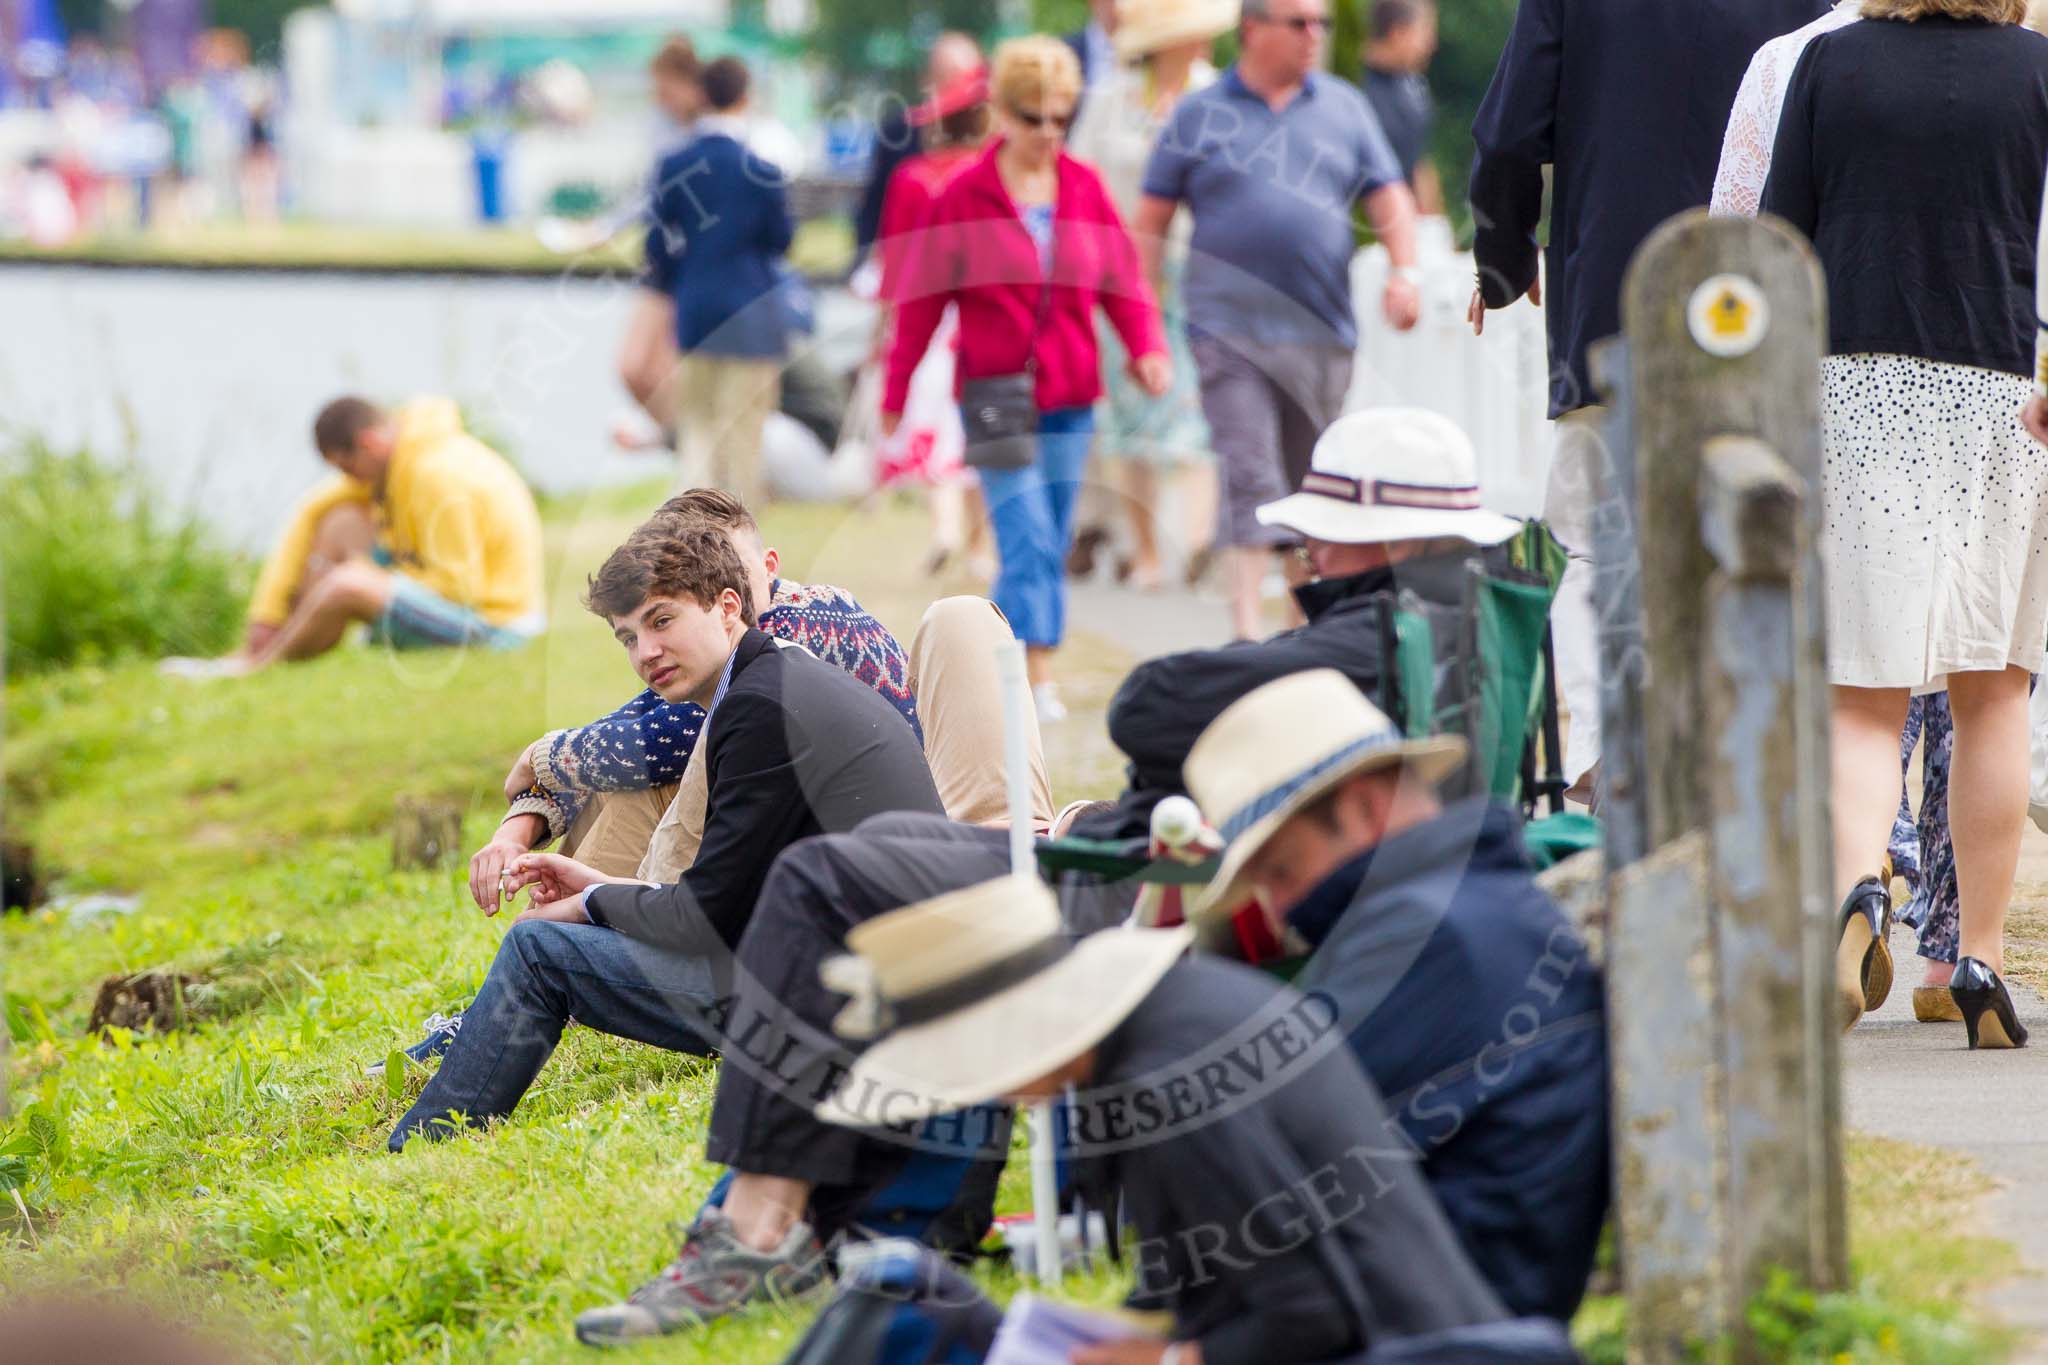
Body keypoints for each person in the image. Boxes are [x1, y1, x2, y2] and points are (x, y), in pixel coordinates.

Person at [811, 879, 1559, 1365]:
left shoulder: (1163, 1087)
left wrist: (1166, 1359)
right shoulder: (1181, 1008)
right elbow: (1214, 1268)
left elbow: (1311, 1316)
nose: (994, 1092)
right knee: (903, 1292)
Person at [387, 521, 944, 1150]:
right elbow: (729, 898)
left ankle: (422, 1144)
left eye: (661, 621)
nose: (645, 651)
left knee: (538, 951)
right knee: (554, 936)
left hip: (849, 1007)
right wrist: (597, 883)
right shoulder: (773, 680)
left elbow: (700, 921)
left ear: (726, 606)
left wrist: (589, 903)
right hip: (860, 973)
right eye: (628, 637)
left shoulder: (760, 709)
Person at [1760, 0, 2048, 1046]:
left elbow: (1776, 249)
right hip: (2002, 395)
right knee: (1992, 691)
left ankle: (1857, 899)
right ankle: (1975, 959)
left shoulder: (1827, 66)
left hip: (1852, 392)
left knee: (1860, 701)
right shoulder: (2037, 73)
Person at [1468, 0, 1830, 806]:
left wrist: (1500, 263)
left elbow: (1506, 135)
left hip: (1613, 296)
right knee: (1743, 546)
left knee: (1599, 545)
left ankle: (1607, 771)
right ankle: (1720, 778)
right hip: (1757, 305)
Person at [1182, 669, 1610, 1323]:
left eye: (1281, 871)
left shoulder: (1424, 937)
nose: (1275, 912)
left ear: (1362, 808)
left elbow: (1261, 1171)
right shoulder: (1470, 906)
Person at [883, 36, 1171, 724]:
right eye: (1033, 116)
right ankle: (1032, 675)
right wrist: (896, 395)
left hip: (1071, 395)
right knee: (1028, 538)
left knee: (1054, 532)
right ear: (1001, 114)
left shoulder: (1084, 187)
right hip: (993, 395)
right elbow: (921, 301)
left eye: (1059, 118)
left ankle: (1010, 664)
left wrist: (1146, 348)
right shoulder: (961, 195)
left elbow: (1123, 281)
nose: (1047, 133)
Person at [1082, 407, 1524, 842]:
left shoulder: (1389, 632)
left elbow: (1147, 705)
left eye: (1326, 531)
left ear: (1399, 543)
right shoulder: (1472, 611)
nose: (1307, 549)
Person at [1134, 0, 1424, 643]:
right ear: (1253, 30)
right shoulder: (1200, 114)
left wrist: (1407, 273)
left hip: (1321, 331)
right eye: (1299, 23)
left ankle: (1296, 633)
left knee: (1310, 486)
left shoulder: (1344, 107)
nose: (1314, 36)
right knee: (1250, 471)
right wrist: (1145, 321)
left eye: (1320, 23)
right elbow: (1149, 222)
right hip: (1226, 329)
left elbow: (1391, 198)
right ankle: (1244, 633)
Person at [163, 396, 544, 678]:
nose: (350, 481)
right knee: (341, 522)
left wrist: (373, 580)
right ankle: (262, 648)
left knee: (347, 585)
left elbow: (461, 587)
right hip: (459, 601)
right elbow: (311, 512)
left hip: (498, 625)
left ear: (368, 444)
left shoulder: (435, 475)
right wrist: (268, 613)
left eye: (349, 468)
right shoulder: (402, 460)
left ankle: (258, 669)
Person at [1066, 0, 1228, 594]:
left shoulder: (1216, 99)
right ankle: (1146, 551)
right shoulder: (1113, 98)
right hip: (1122, 276)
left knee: (1194, 409)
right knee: (1133, 410)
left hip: (1196, 271)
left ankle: (1196, 540)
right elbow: (1079, 176)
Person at [646, 55, 793, 507]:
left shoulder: (675, 165)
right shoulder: (762, 171)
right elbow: (781, 240)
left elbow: (657, 243)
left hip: (697, 309)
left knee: (698, 429)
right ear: (745, 97)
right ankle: (738, 539)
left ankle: (690, 535)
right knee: (744, 434)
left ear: (702, 95)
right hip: (751, 314)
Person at [872, 55, 993, 575]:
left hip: (926, 315)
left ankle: (944, 527)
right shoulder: (989, 175)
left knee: (933, 426)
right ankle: (979, 544)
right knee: (974, 433)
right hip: (980, 314)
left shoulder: (912, 178)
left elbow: (895, 260)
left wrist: (885, 324)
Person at [614, 36, 705, 448]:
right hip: (660, 257)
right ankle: (680, 442)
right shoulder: (661, 129)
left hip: (691, 262)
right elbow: (648, 193)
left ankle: (688, 454)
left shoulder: (708, 133)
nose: (661, 99)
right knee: (633, 367)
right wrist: (608, 225)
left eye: (666, 89)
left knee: (669, 371)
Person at [853, 32, 985, 268]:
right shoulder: (900, 140)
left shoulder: (998, 145)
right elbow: (875, 206)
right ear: (928, 79)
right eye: (949, 77)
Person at [1362, 0, 1444, 215]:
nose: (1431, 45)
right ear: (1398, 32)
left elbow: (1418, 160)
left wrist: (1432, 222)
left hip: (1405, 219)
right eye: (1424, 32)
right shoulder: (1354, 90)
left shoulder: (1415, 87)